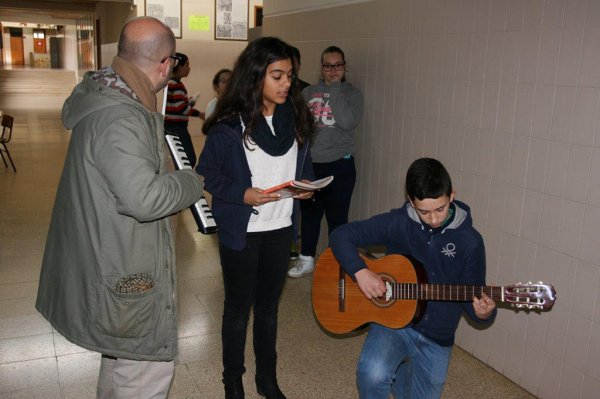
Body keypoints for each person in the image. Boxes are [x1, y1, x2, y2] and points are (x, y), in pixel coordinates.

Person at [35, 17, 205, 399]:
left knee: (120, 362)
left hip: (111, 256)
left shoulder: (111, 95)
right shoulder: (122, 115)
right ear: (166, 63)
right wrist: (191, 181)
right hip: (125, 268)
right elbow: (144, 199)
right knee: (144, 372)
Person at [196, 37, 315, 399]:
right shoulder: (229, 126)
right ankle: (233, 381)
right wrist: (243, 194)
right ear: (255, 75)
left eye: (289, 76)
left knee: (267, 310)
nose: (286, 84)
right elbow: (209, 174)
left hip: (280, 230)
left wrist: (305, 186)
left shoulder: (294, 119)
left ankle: (267, 380)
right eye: (276, 75)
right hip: (242, 231)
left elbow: (301, 164)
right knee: (237, 312)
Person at [329, 158, 497, 399]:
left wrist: (482, 312)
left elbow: (473, 299)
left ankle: (403, 371)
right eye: (424, 212)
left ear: (452, 196)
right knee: (372, 375)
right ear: (411, 202)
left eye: (440, 209)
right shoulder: (399, 223)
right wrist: (361, 272)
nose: (434, 219)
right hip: (393, 324)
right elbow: (340, 235)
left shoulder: (470, 242)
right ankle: (397, 365)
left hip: (437, 336)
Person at [288, 45, 363, 277]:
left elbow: (347, 122)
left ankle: (334, 264)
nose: (333, 70)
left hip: (340, 164)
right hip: (312, 164)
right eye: (328, 66)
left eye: (338, 65)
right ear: (322, 67)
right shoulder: (309, 93)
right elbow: (298, 123)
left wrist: (335, 89)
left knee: (337, 218)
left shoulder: (352, 94)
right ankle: (306, 258)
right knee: (310, 215)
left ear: (344, 66)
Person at [164, 52, 203, 167]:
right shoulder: (177, 85)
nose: (189, 68)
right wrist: (199, 114)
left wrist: (189, 103)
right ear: (180, 67)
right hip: (177, 129)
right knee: (189, 159)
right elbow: (181, 109)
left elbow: (176, 105)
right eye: (187, 65)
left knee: (178, 157)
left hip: (169, 127)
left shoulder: (169, 83)